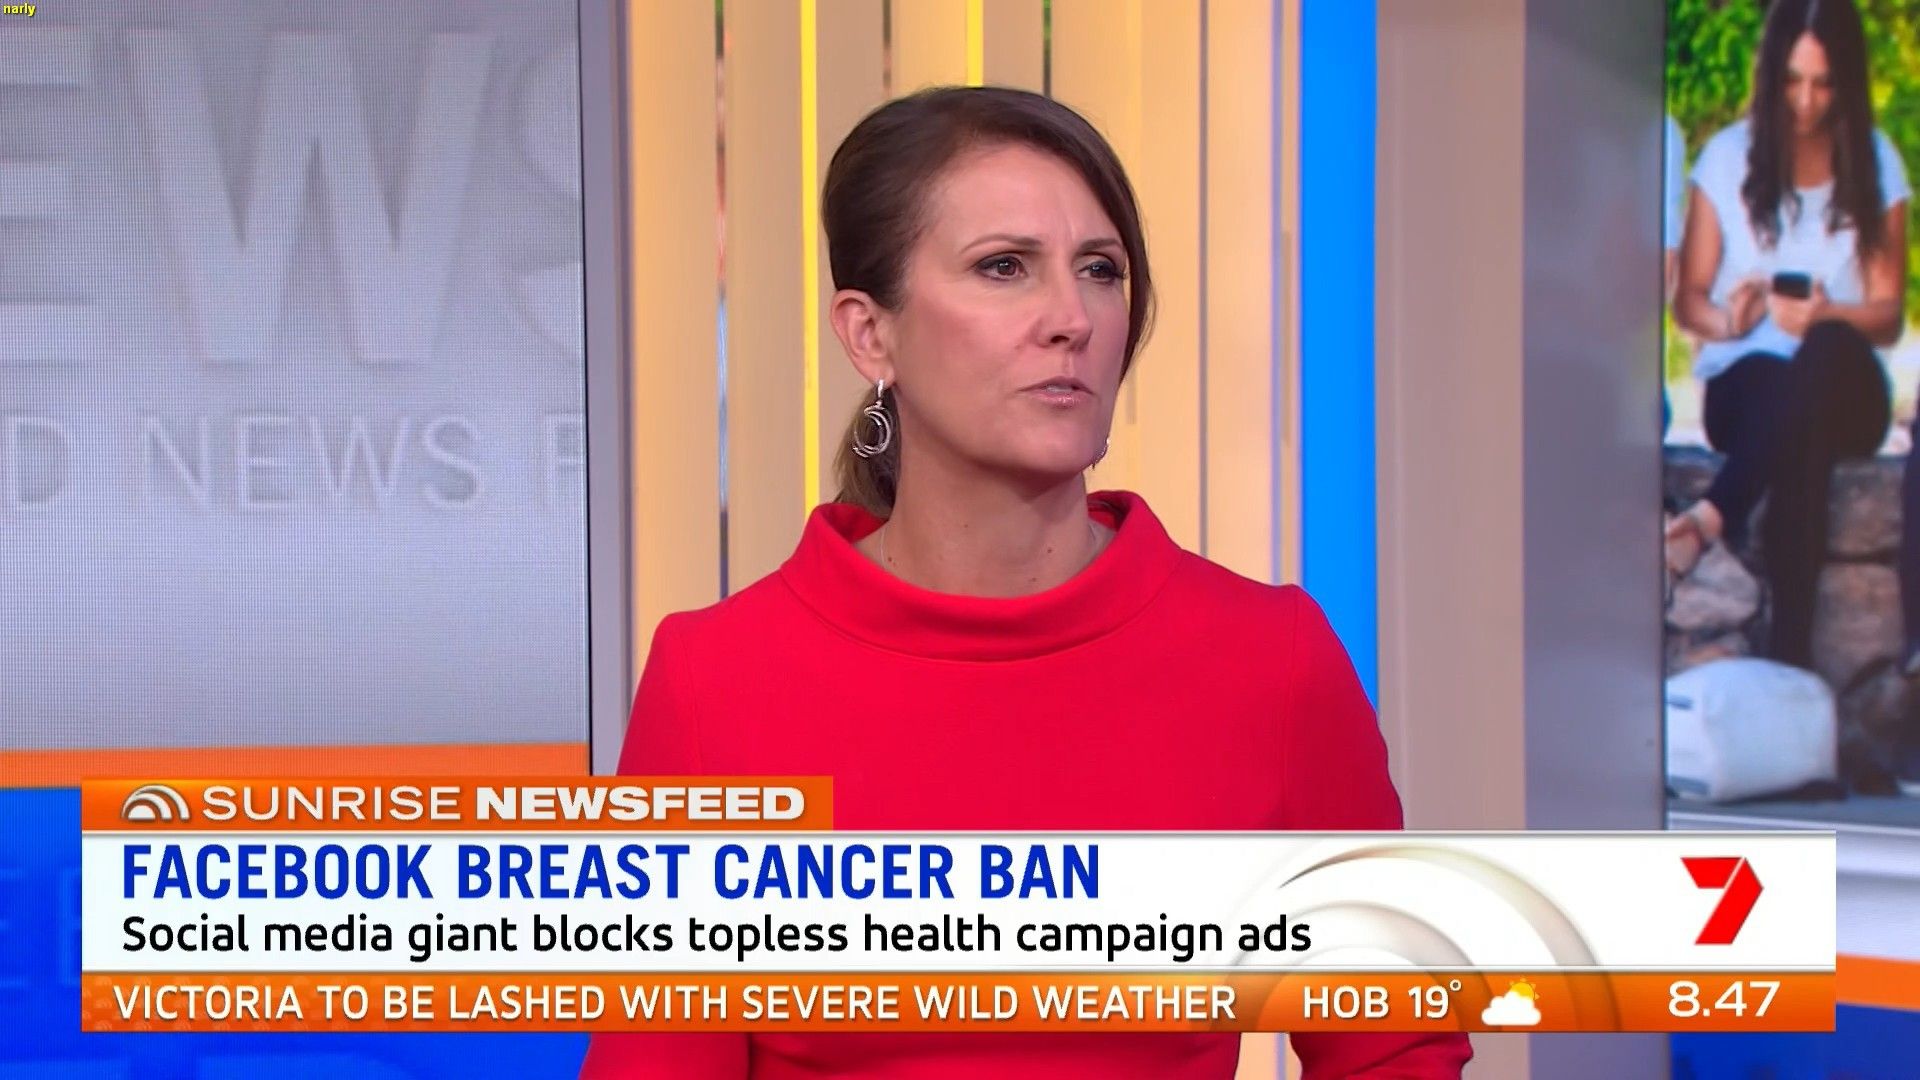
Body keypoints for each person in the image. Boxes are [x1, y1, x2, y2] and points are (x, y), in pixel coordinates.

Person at [580, 87, 1471, 1078]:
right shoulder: (716, 681)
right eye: (1004, 266)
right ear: (870, 335)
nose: (1072, 319)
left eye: (1101, 270)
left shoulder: (1271, 660)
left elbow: (1396, 1049)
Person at [1666, 0, 1909, 670]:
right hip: (1748, 385)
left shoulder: (1877, 161)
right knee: (1791, 415)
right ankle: (1795, 670)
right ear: (1771, 75)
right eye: (1793, 81)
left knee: (1820, 359)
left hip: (1845, 381)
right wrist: (1732, 322)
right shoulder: (1725, 159)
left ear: (1848, 81)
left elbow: (1888, 315)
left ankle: (1712, 517)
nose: (1806, 101)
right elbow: (1688, 302)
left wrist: (1826, 315)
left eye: (1825, 84)